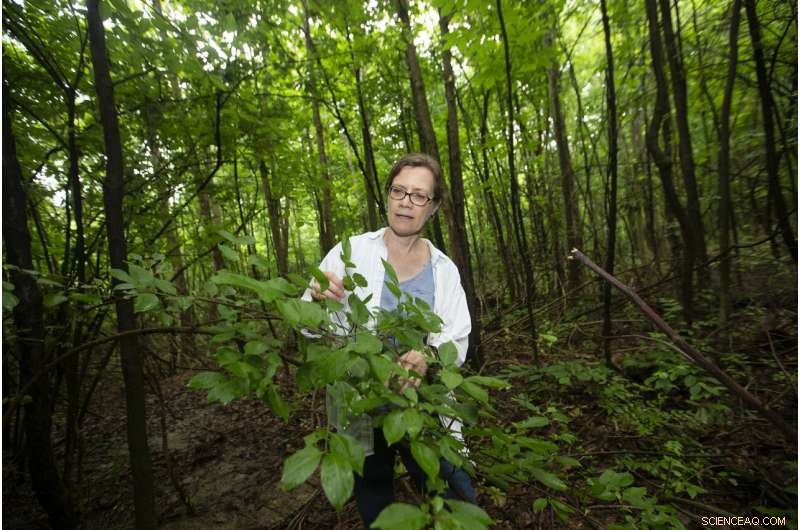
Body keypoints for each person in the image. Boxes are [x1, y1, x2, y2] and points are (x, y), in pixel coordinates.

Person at [303, 153, 477, 526]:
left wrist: (429, 354)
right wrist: (316, 298)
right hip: (359, 403)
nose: (406, 202)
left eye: (419, 195)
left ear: (433, 207)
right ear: (387, 196)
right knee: (372, 490)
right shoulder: (350, 253)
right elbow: (306, 325)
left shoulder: (443, 270)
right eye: (399, 190)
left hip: (423, 406)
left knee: (451, 485)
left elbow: (458, 338)